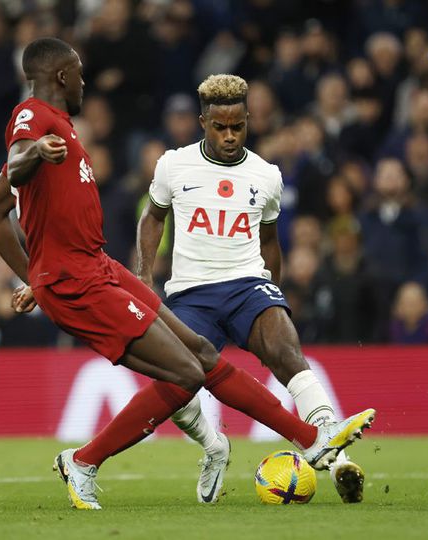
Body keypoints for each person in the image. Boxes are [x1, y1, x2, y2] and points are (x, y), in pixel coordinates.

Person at [0, 38, 374, 510]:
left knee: (201, 355)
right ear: (62, 76)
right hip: (77, 282)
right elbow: (11, 175)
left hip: (97, 265)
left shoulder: (62, 127)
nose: (85, 81)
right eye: (80, 73)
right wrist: (35, 156)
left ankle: (311, 440)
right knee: (187, 373)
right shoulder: (34, 119)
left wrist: (34, 276)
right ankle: (83, 462)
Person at [137, 74, 371, 505]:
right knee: (175, 383)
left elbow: (269, 240)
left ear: (248, 121)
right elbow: (153, 217)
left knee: (285, 348)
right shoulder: (174, 164)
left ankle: (334, 451)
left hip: (247, 285)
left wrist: (273, 296)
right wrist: (144, 274)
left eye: (238, 127)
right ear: (203, 121)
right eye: (220, 127)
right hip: (191, 292)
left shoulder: (266, 175)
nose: (229, 136)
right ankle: (213, 445)